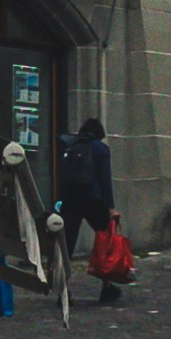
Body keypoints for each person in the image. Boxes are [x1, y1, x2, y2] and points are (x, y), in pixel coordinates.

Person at [58, 115, 117, 286]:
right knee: (107, 237)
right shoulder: (100, 149)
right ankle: (107, 285)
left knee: (66, 246)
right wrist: (111, 207)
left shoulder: (69, 145)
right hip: (93, 199)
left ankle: (64, 289)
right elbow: (105, 180)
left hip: (70, 199)